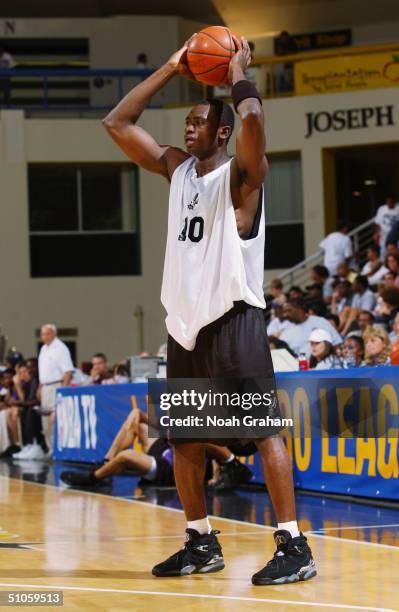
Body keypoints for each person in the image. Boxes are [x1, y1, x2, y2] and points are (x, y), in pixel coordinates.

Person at [103, 35, 316, 584]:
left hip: (234, 317)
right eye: (187, 123)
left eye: (198, 122)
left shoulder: (242, 176)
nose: (187, 129)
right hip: (185, 327)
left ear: (222, 133)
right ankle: (200, 540)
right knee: (186, 441)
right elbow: (118, 124)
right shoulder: (178, 172)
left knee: (264, 431)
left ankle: (294, 546)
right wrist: (173, 67)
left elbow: (253, 120)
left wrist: (239, 71)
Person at [61, 407, 252, 490]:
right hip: (165, 448)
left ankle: (92, 478)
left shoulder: (205, 423)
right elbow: (162, 425)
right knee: (137, 418)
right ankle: (107, 461)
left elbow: (214, 451)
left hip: (168, 466)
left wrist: (215, 476)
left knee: (126, 456)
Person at [38, 324, 74, 449]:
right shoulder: (44, 349)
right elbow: (44, 371)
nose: (44, 337)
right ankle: (50, 448)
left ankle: (58, 448)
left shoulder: (60, 348)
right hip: (45, 386)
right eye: (42, 334)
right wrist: (40, 387)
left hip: (56, 386)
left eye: (47, 334)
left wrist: (63, 391)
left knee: (55, 418)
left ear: (54, 334)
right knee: (45, 421)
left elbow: (68, 371)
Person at [375, 194, 399, 258]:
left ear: (394, 202)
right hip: (384, 236)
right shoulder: (382, 209)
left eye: (390, 202)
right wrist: (377, 233)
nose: (388, 203)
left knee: (395, 252)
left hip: (395, 236)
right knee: (383, 253)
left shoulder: (398, 209)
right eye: (387, 202)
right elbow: (378, 223)